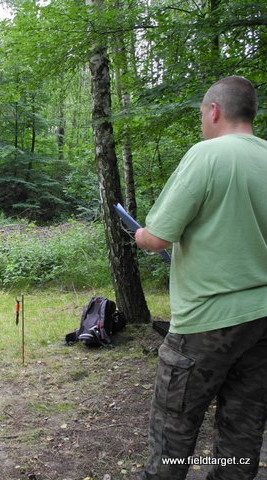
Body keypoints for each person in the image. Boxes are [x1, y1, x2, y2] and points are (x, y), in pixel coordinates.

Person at [135, 75, 267, 479]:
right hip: (262, 321)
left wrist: (140, 234)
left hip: (205, 323)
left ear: (214, 111)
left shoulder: (207, 155)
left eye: (201, 116)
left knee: (173, 430)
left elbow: (158, 237)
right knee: (243, 429)